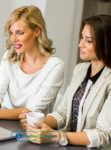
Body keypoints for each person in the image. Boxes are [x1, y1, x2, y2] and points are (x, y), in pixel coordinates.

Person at [19, 14, 111, 148]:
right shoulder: (80, 70)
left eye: (89, 41)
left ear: (106, 44)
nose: (80, 44)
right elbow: (63, 113)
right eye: (81, 37)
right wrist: (39, 123)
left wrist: (54, 136)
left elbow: (103, 134)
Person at [0, 5, 64, 120]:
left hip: (33, 129)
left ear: (37, 31)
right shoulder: (9, 57)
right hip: (3, 121)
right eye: (11, 33)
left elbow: (31, 111)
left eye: (20, 33)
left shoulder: (55, 66)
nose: (13, 39)